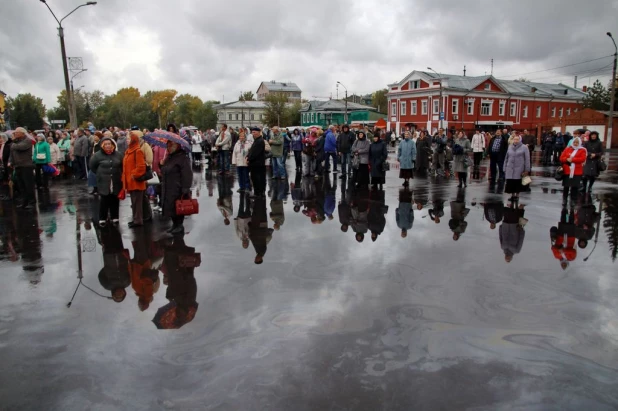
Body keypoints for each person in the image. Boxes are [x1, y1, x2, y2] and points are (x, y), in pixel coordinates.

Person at [159, 139, 192, 235]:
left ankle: (179, 225)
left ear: (176, 146)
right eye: (167, 146)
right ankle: (174, 224)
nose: (168, 148)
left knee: (178, 206)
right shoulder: (169, 157)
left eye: (170, 146)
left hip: (177, 187)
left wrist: (186, 188)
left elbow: (187, 174)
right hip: (168, 186)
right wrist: (161, 165)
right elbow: (165, 171)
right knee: (171, 206)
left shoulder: (182, 158)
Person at [90, 137, 123, 226]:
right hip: (103, 180)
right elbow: (92, 166)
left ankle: (115, 217)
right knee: (104, 199)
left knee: (115, 198)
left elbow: (122, 166)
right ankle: (102, 218)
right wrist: (100, 173)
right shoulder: (97, 155)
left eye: (109, 144)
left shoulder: (118, 154)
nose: (108, 146)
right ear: (102, 145)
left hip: (116, 180)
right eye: (106, 144)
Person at [98, 225, 130, 303]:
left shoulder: (107, 285)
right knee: (117, 238)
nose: (119, 294)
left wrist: (107, 268)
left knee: (106, 239)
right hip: (121, 256)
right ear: (124, 293)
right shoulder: (127, 283)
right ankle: (114, 224)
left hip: (109, 257)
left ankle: (104, 225)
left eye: (117, 296)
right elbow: (130, 271)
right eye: (121, 295)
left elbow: (101, 276)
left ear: (113, 294)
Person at [122, 131, 148, 228]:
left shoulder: (137, 151)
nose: (127, 140)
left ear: (133, 140)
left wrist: (133, 175)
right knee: (134, 202)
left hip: (136, 182)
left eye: (128, 139)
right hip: (131, 181)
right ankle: (136, 219)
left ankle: (138, 220)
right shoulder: (129, 150)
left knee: (137, 203)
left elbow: (141, 167)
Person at [9, 128, 35, 208]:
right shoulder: (16, 142)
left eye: (16, 132)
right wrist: (11, 162)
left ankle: (31, 202)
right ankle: (24, 201)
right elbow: (12, 152)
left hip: (26, 166)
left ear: (22, 133)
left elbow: (19, 147)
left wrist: (13, 142)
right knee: (21, 185)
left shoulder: (27, 140)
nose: (15, 134)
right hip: (18, 166)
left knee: (28, 185)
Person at [559, 137, 587, 206]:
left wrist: (573, 159)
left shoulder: (582, 150)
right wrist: (567, 159)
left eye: (577, 142)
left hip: (577, 171)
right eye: (574, 142)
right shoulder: (567, 149)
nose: (575, 144)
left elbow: (582, 159)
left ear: (579, 143)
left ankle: (573, 200)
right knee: (566, 186)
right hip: (567, 170)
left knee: (574, 187)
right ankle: (564, 199)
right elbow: (561, 158)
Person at [503, 134, 531, 201]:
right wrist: (505, 167)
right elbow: (506, 158)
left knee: (517, 182)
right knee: (511, 182)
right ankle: (512, 195)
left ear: (520, 140)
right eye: (514, 139)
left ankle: (517, 196)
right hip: (510, 167)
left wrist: (527, 169)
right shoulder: (510, 146)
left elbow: (527, 159)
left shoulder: (524, 147)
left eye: (517, 139)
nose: (516, 141)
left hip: (519, 168)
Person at [248, 196, 273, 264]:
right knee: (260, 211)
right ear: (260, 259)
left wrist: (250, 233)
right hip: (260, 226)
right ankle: (260, 197)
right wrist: (251, 234)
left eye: (255, 259)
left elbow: (254, 239)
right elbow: (259, 238)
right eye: (257, 260)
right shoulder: (262, 251)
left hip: (256, 227)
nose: (255, 258)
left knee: (257, 211)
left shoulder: (258, 251)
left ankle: (259, 197)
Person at [247, 127, 266, 198]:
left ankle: (258, 193)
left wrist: (249, 159)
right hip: (255, 163)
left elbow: (255, 153)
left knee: (257, 178)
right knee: (255, 178)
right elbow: (252, 150)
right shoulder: (257, 140)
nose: (253, 134)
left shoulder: (260, 141)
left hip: (257, 163)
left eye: (254, 132)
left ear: (258, 132)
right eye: (252, 132)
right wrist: (248, 156)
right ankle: (258, 192)